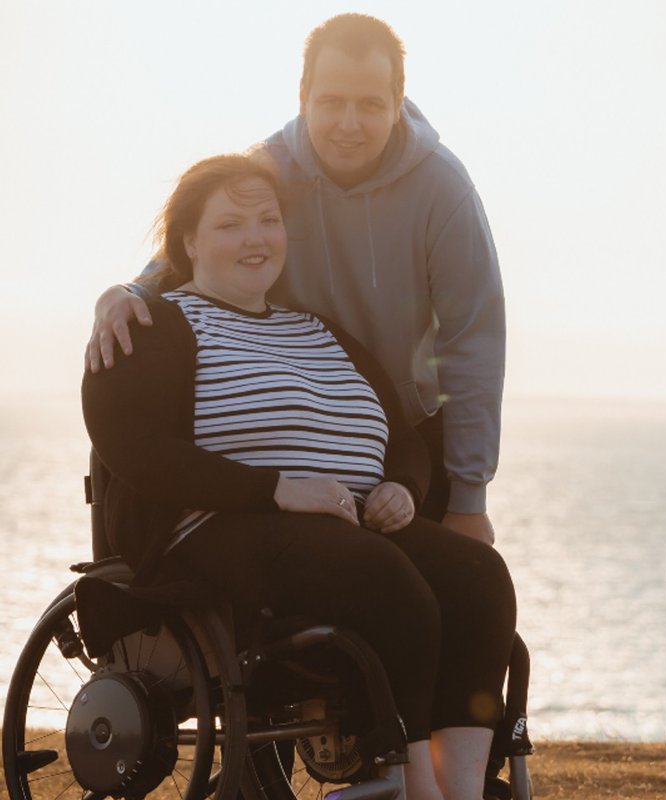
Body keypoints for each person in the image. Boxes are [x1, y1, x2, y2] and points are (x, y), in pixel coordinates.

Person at [82, 150, 517, 800]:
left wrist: (402, 486)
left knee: (478, 576)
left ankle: (465, 786)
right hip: (214, 528)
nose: (254, 238)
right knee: (382, 579)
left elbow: (400, 435)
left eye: (268, 220)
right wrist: (277, 491)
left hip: (345, 525)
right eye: (230, 224)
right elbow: (134, 448)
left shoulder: (317, 330)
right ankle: (415, 786)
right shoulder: (156, 325)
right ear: (189, 241)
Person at [86, 13, 505, 546]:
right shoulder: (269, 169)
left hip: (406, 442)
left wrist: (469, 499)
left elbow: (473, 341)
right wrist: (128, 292)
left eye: (370, 104)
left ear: (398, 101)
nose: (349, 124)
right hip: (292, 432)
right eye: (331, 101)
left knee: (467, 578)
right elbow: (196, 247)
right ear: (303, 95)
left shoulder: (444, 189)